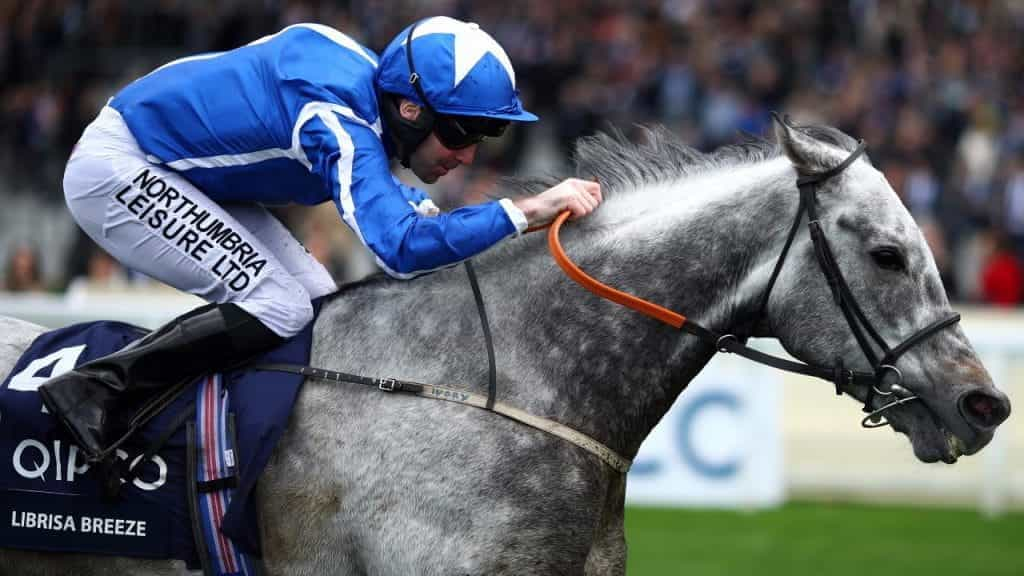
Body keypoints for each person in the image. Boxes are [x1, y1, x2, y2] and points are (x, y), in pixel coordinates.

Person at [39, 16, 602, 463]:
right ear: (410, 110)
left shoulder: (365, 96)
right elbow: (401, 251)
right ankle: (98, 391)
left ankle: (231, 441)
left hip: (182, 171)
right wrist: (525, 210)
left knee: (313, 302)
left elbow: (372, 189)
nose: (468, 155)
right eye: (460, 131)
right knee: (280, 306)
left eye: (488, 133)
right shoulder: (336, 115)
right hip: (121, 167)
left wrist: (424, 206)